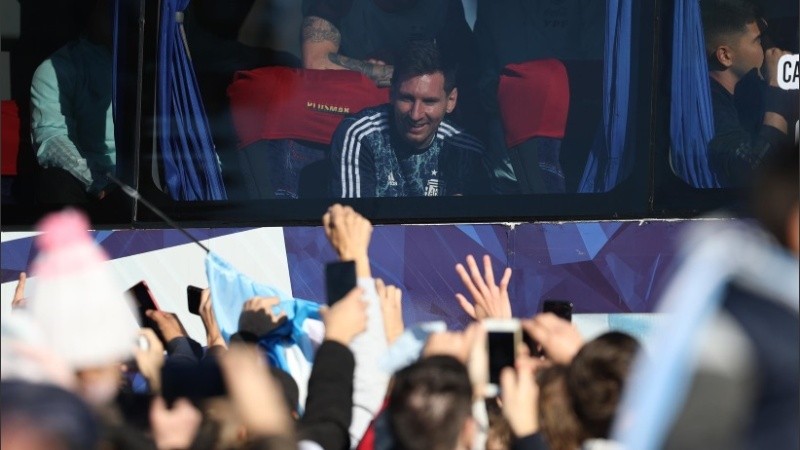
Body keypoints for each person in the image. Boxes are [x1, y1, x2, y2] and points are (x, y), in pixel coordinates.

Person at [330, 40, 490, 198]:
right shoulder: (361, 136)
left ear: (451, 101)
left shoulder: (467, 152)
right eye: (407, 98)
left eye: (429, 101)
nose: (415, 115)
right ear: (392, 94)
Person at [701, 0, 798, 187]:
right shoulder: (712, 107)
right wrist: (777, 92)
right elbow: (757, 171)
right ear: (725, 56)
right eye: (758, 41)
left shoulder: (745, 95)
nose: (768, 49)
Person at [30, 0, 116, 204]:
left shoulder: (160, 66)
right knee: (56, 182)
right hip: (92, 185)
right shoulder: (58, 69)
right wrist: (98, 182)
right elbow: (53, 137)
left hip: (147, 184)